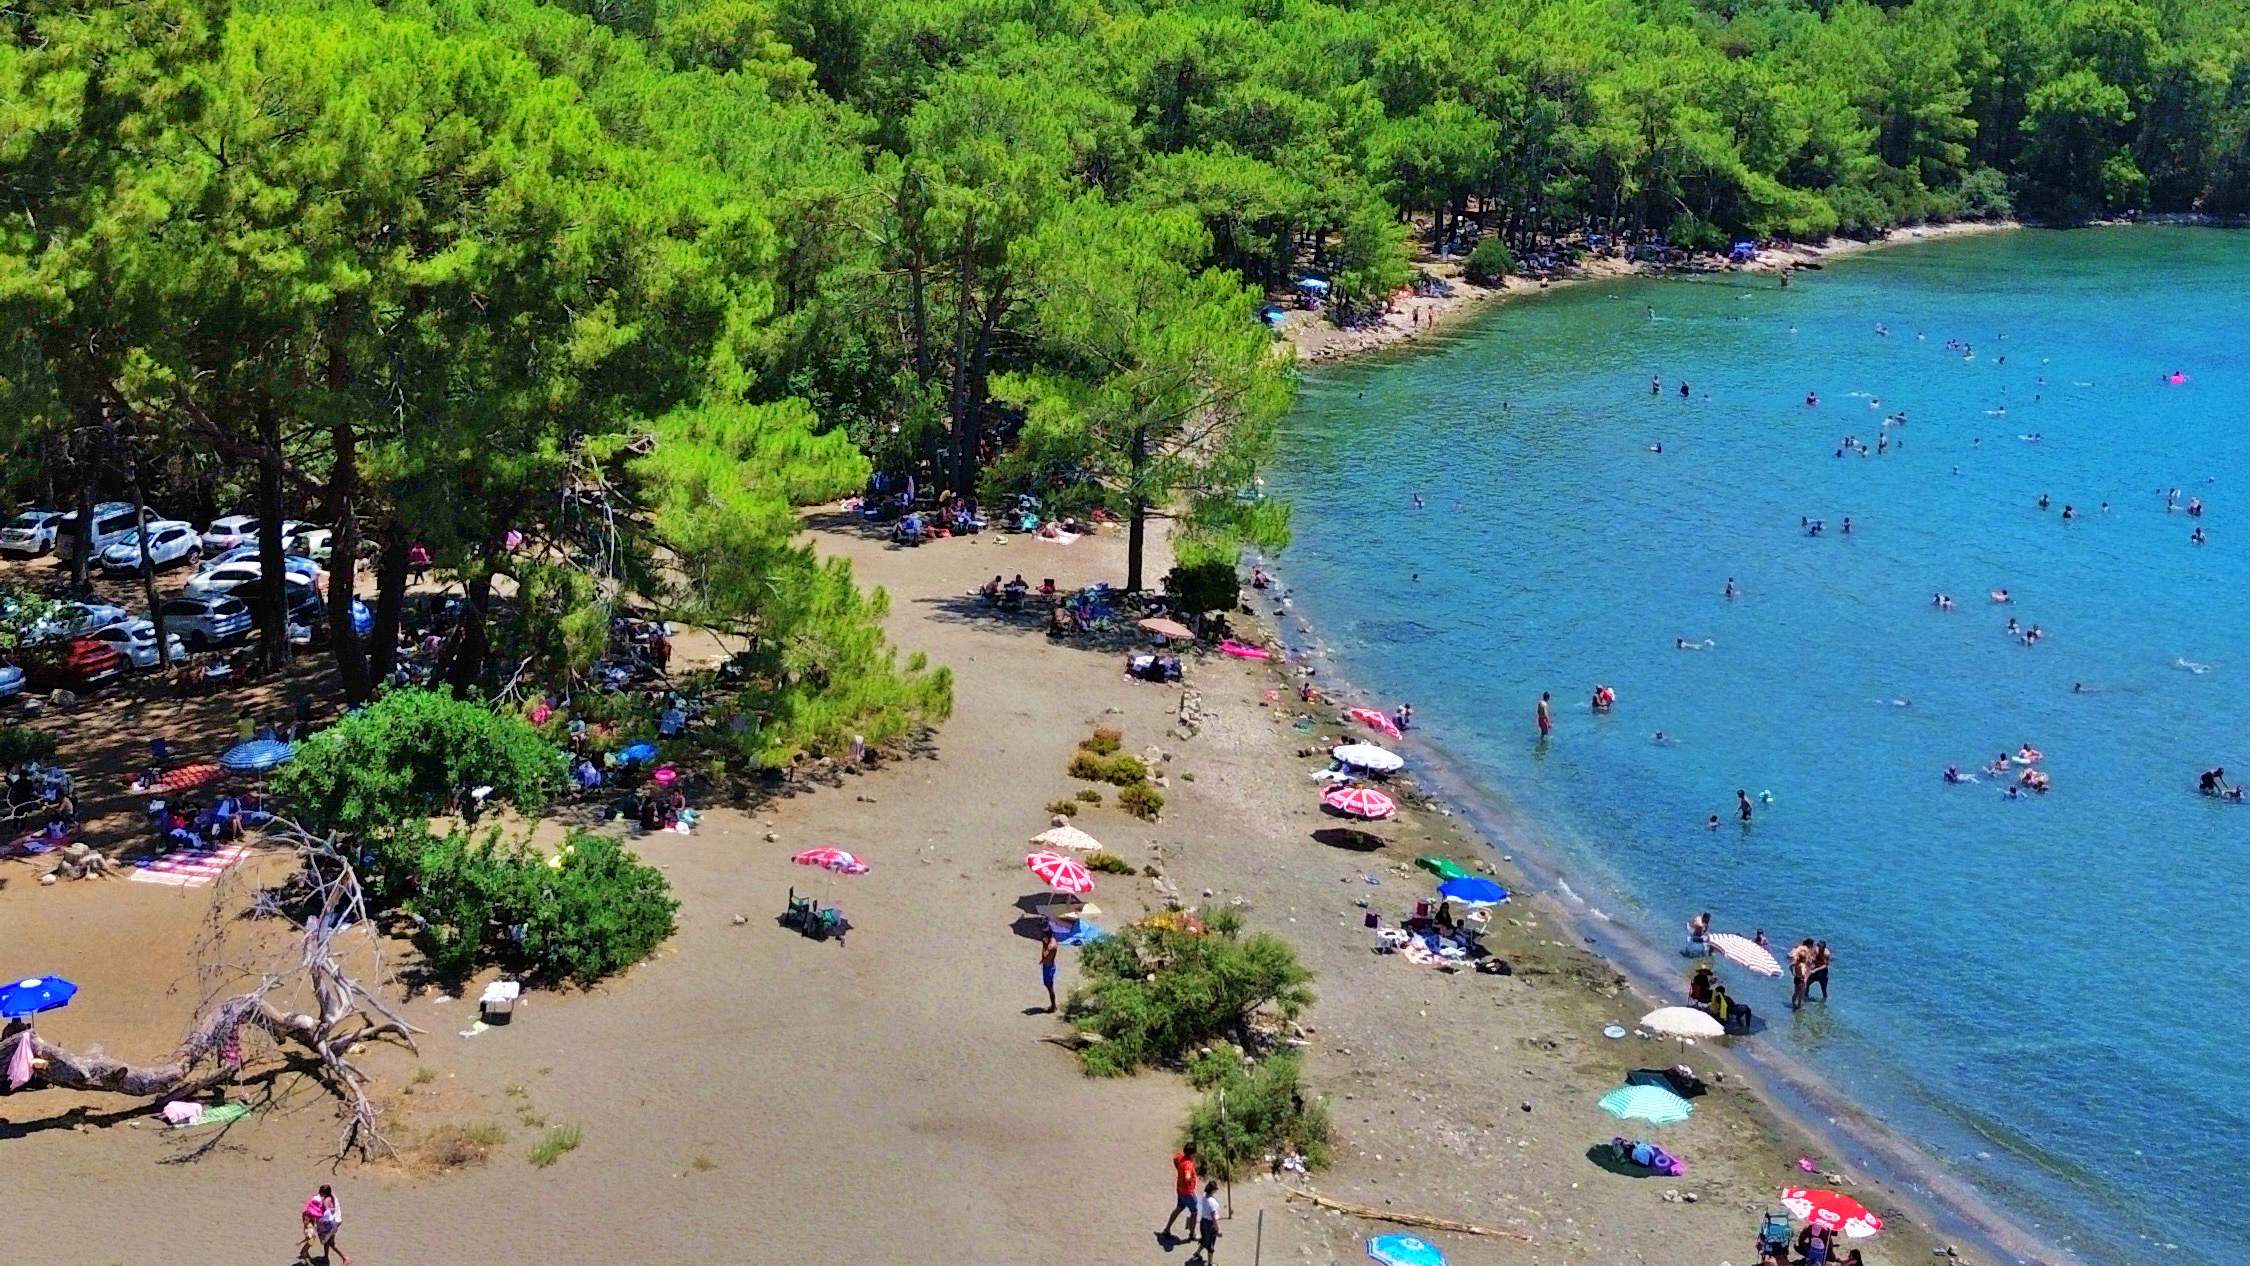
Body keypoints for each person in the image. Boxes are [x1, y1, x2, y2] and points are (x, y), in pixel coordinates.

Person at [299, 1184, 348, 1265]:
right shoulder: (330, 1196)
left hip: (332, 1223)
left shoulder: (326, 1200)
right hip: (333, 1222)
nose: (320, 1195)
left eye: (322, 1194)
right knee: (327, 1241)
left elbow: (324, 1210)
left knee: (330, 1243)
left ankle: (345, 1258)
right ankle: (325, 1257)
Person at [1163, 1145, 1200, 1240]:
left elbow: (1175, 1159)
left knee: (1179, 1208)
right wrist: (1189, 1180)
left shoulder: (1181, 1157)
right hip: (1188, 1192)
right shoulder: (1188, 1164)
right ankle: (1192, 1234)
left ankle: (1167, 1228)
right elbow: (1187, 1176)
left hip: (1180, 1190)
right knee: (1194, 1212)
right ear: (1192, 1154)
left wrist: (1178, 1169)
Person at [1194, 1180, 1222, 1264]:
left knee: (1204, 1239)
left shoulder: (1204, 1195)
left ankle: (1197, 1253)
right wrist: (1218, 1229)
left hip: (1203, 1221)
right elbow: (1213, 1217)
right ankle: (1210, 1263)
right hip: (1210, 1224)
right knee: (1211, 1244)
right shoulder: (1212, 1202)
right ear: (1213, 1190)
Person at [1789, 938, 1815, 1010]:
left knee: (1796, 992)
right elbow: (1803, 973)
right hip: (1801, 980)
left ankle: (1793, 1003)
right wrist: (1805, 978)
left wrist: (1793, 973)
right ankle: (1800, 1007)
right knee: (1801, 994)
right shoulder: (1802, 965)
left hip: (1796, 978)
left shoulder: (1797, 962)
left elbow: (1790, 966)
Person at [1038, 927, 1059, 1013]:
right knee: (1049, 986)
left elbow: (1044, 957)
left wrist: (1044, 944)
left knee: (1049, 987)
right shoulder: (1053, 941)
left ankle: (1053, 1006)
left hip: (1048, 967)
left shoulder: (1050, 946)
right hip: (1051, 966)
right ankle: (1053, 1005)